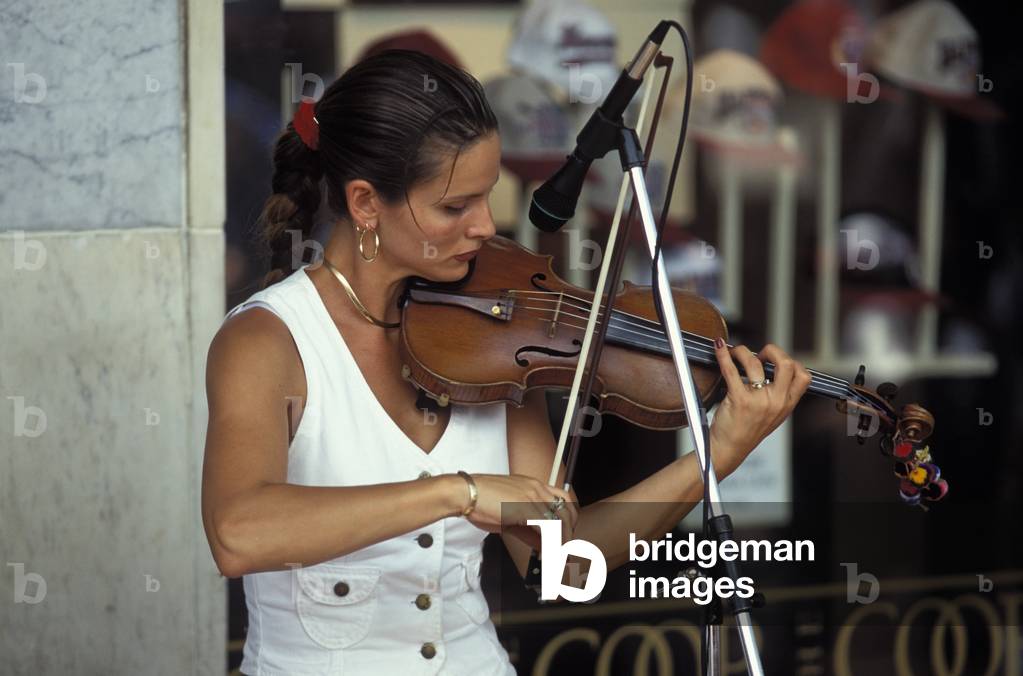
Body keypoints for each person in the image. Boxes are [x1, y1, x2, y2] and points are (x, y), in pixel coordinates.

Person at [200, 49, 812, 676]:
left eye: (487, 197)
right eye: (453, 206)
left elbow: (562, 565)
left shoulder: (495, 336)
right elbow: (238, 533)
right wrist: (454, 494)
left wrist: (715, 458)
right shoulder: (268, 339)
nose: (486, 226)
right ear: (364, 204)